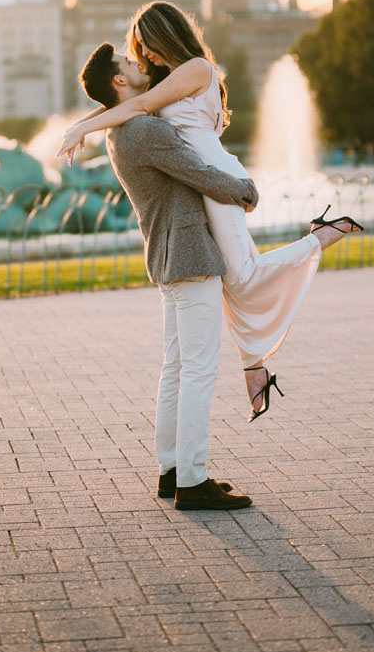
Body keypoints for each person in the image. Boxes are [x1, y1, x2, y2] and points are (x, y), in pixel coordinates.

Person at [59, 2, 363, 421]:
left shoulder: (197, 69)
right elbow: (123, 100)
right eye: (137, 50)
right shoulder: (168, 78)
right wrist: (82, 122)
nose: (144, 55)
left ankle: (320, 237)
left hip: (214, 177)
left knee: (242, 275)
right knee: (236, 280)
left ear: (166, 34)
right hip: (200, 180)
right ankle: (254, 367)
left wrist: (82, 128)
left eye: (145, 45)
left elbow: (137, 107)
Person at [78, 41, 258, 511]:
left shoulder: (120, 134)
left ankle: (172, 470)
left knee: (177, 368)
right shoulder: (140, 129)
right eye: (130, 63)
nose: (140, 65)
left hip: (168, 257)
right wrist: (245, 191)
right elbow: (199, 173)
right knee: (197, 370)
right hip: (191, 256)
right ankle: (194, 482)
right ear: (120, 82)